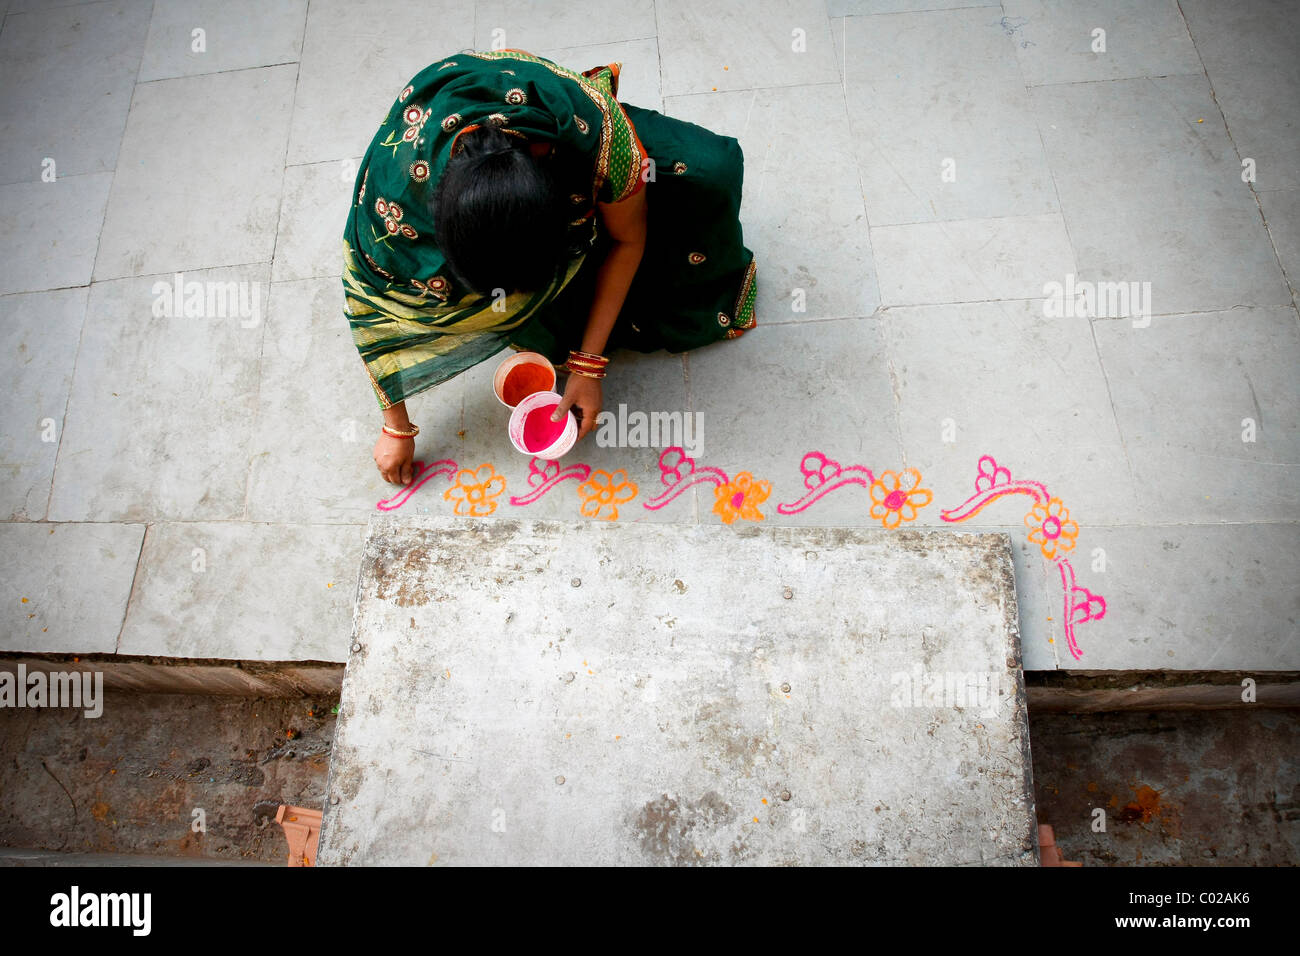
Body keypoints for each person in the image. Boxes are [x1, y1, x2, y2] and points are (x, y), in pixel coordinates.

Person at [341, 49, 757, 484]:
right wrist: (395, 426)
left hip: (570, 155)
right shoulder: (398, 199)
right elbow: (371, 310)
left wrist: (587, 364)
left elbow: (628, 240)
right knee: (548, 329)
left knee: (709, 172)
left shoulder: (596, 142)